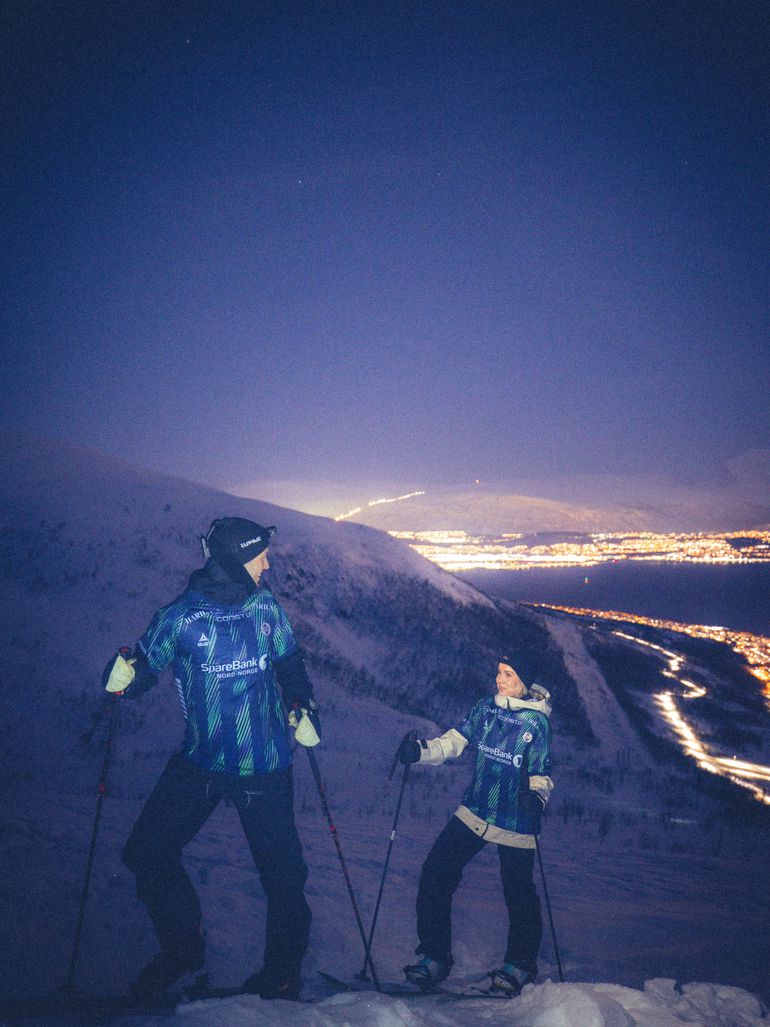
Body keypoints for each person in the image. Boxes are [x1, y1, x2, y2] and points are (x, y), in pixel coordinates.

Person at [102, 517, 320, 1002]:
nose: (268, 564)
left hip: (264, 765)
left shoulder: (265, 608)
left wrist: (302, 707)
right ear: (235, 561)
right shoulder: (181, 618)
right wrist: (122, 678)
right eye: (260, 556)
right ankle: (183, 951)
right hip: (201, 761)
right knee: (146, 853)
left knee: (284, 877)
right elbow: (143, 666)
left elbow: (290, 665)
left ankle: (282, 973)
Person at [396, 653, 553, 995]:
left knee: (519, 894)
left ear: (524, 681)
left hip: (515, 819)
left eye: (509, 673)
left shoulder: (537, 723)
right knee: (436, 872)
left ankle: (520, 964)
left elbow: (541, 773)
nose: (500, 679)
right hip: (476, 810)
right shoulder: (485, 709)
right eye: (499, 672)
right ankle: (434, 957)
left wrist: (537, 797)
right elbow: (454, 741)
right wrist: (420, 751)